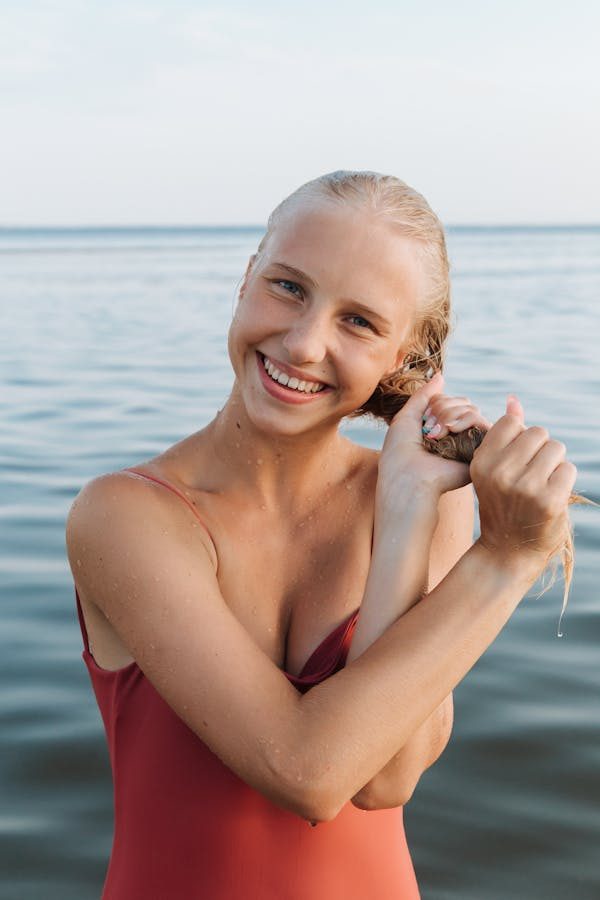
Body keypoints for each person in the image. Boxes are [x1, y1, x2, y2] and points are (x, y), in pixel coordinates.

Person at [66, 170, 577, 899]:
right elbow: (309, 774)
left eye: (359, 321)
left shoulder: (424, 498)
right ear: (247, 279)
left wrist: (403, 518)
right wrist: (506, 562)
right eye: (288, 287)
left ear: (403, 356)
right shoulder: (127, 516)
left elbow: (387, 777)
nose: (304, 344)